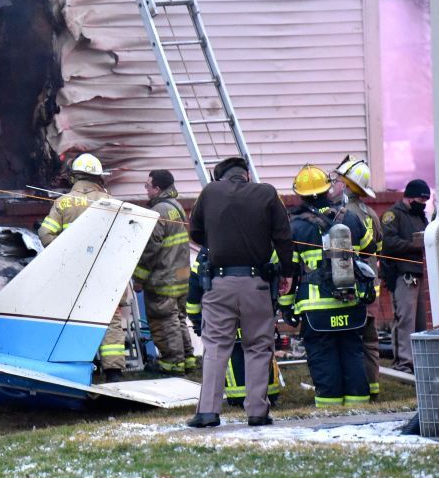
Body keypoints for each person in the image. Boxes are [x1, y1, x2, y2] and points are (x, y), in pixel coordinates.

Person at [187, 157, 294, 428]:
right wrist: (289, 272)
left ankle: (208, 412)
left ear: (219, 177)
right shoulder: (268, 193)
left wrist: (218, 237)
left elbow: (196, 232)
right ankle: (258, 412)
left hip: (219, 285)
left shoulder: (210, 192)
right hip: (256, 284)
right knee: (258, 346)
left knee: (215, 347)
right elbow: (283, 237)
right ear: (246, 174)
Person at [287, 164, 377, 408]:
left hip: (316, 308)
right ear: (327, 190)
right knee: (352, 352)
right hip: (350, 300)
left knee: (323, 355)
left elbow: (289, 273)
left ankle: (330, 408)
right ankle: (358, 406)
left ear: (300, 195)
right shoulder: (350, 217)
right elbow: (370, 248)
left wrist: (286, 307)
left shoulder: (294, 226)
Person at [39, 153, 125, 382]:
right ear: (98, 176)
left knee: (74, 317)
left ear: (74, 176)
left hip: (74, 274)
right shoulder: (110, 202)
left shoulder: (63, 202)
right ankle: (113, 372)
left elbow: (45, 233)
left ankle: (77, 367)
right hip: (105, 272)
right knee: (109, 318)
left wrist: (67, 256)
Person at [187, 248, 282, 407]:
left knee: (224, 352)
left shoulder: (211, 246)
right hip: (257, 305)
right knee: (259, 349)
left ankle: (231, 399)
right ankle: (265, 395)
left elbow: (195, 284)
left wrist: (197, 319)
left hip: (223, 312)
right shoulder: (259, 240)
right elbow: (276, 271)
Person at [330, 155, 384, 399]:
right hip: (372, 287)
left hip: (356, 287)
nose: (334, 184)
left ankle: (360, 389)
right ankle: (373, 388)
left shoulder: (344, 214)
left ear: (347, 185)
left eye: (338, 180)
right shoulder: (370, 212)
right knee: (370, 342)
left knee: (354, 341)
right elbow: (378, 250)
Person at [133, 169, 194, 373]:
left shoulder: (158, 211)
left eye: (147, 186)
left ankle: (173, 364)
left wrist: (139, 278)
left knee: (164, 320)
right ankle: (188, 359)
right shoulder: (176, 207)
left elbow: (150, 249)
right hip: (181, 274)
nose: (146, 190)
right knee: (178, 318)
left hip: (164, 277)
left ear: (157, 188)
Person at [381, 178, 431, 374]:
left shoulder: (420, 216)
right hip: (402, 274)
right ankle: (403, 363)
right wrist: (414, 245)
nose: (423, 204)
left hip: (418, 273)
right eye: (421, 200)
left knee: (419, 322)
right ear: (409, 198)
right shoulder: (393, 215)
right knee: (405, 319)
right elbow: (389, 243)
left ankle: (417, 361)